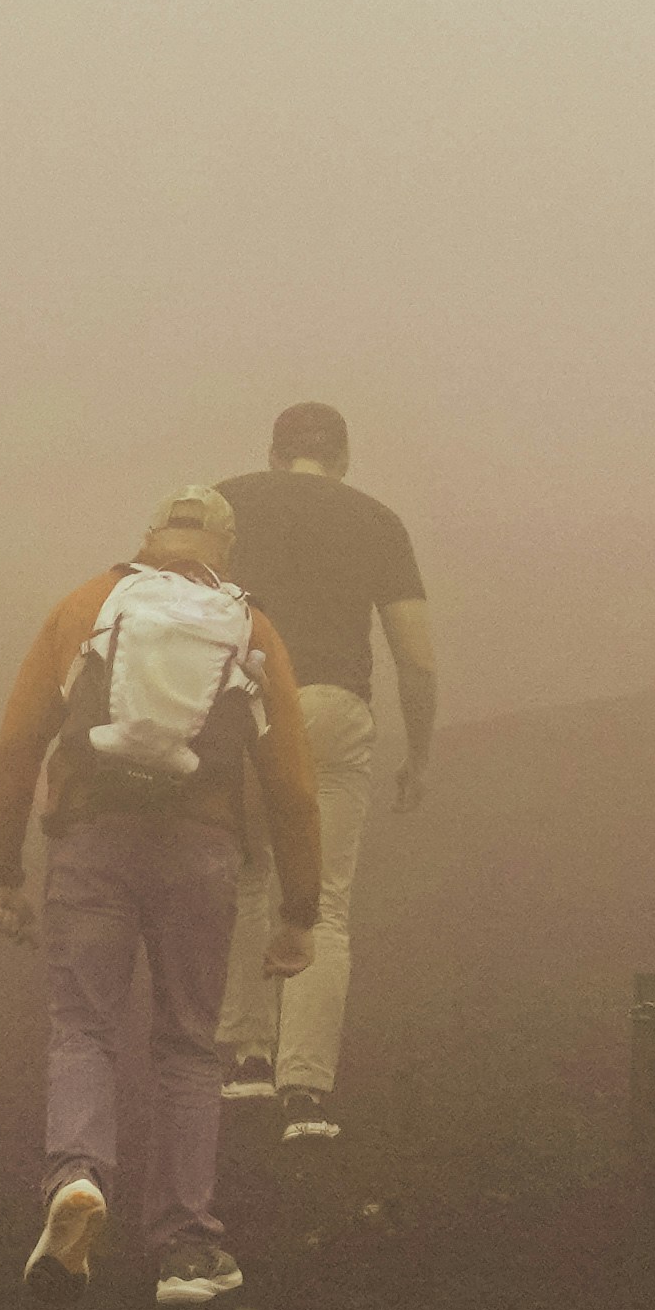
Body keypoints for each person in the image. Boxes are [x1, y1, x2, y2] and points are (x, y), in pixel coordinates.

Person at [0, 485, 321, 1309]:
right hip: (200, 850)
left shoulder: (88, 605)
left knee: (84, 1025)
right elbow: (291, 782)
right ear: (223, 550)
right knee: (189, 1044)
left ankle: (76, 1175)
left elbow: (19, 738)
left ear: (149, 537)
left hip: (91, 840)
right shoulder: (250, 626)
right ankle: (185, 1249)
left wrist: (0, 870)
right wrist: (300, 911)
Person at [211, 401, 436, 1145]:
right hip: (336, 709)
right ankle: (303, 1094)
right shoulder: (376, 520)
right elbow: (417, 658)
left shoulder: (227, 502)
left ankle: (244, 1056)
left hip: (244, 704)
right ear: (342, 460)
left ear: (275, 455)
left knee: (247, 875)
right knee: (323, 903)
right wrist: (420, 753)